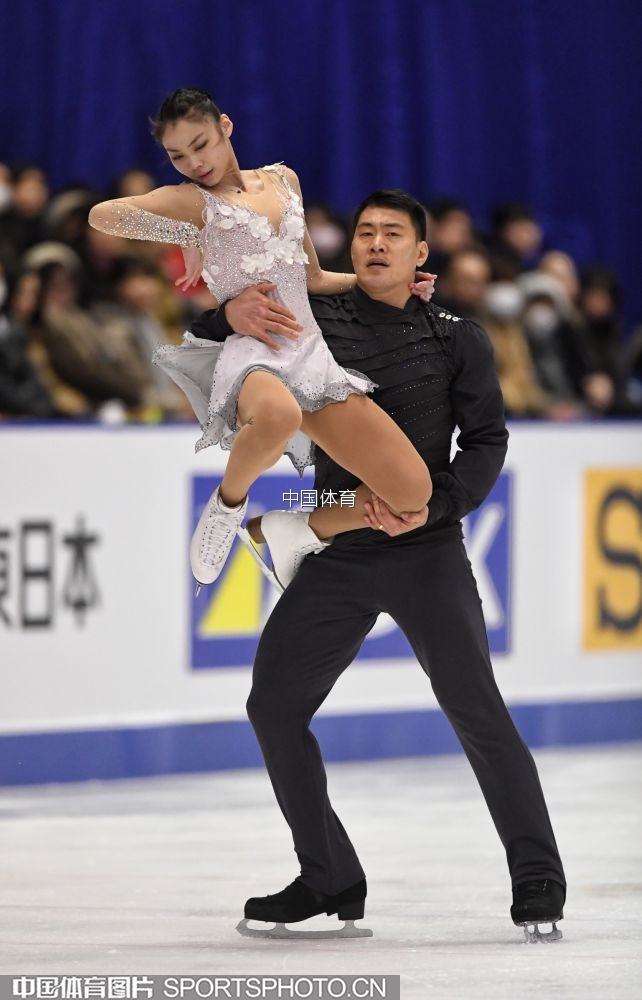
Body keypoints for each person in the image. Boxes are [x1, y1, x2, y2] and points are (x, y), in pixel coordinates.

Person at [198, 188, 567, 942]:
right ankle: (328, 874)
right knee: (273, 705)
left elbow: (487, 442)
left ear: (420, 254)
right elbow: (215, 340)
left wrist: (435, 509)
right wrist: (226, 314)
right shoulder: (313, 317)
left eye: (392, 235)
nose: (373, 244)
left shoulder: (457, 337)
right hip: (339, 543)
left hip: (425, 547)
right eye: (364, 232)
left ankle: (537, 877)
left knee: (477, 710)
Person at [88, 87, 436, 592]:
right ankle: (228, 505)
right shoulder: (192, 202)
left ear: (225, 126)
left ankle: (295, 525)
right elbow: (102, 216)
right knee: (279, 415)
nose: (194, 163)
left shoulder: (283, 179)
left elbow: (313, 279)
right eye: (177, 155)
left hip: (311, 356)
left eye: (201, 144)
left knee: (411, 495)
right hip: (256, 354)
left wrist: (390, 284)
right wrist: (189, 235)